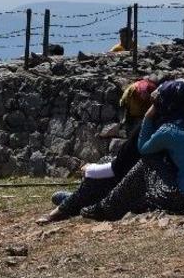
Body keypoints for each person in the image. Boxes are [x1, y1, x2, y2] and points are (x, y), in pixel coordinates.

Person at [81, 80, 184, 220]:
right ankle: (103, 203)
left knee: (148, 162)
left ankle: (106, 207)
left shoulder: (170, 130)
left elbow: (143, 149)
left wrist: (148, 118)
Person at [39, 78, 157, 223]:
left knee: (100, 171)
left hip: (139, 189)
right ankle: (76, 199)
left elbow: (118, 168)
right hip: (147, 184)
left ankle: (64, 208)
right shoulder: (161, 121)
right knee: (104, 166)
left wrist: (90, 169)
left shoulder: (142, 129)